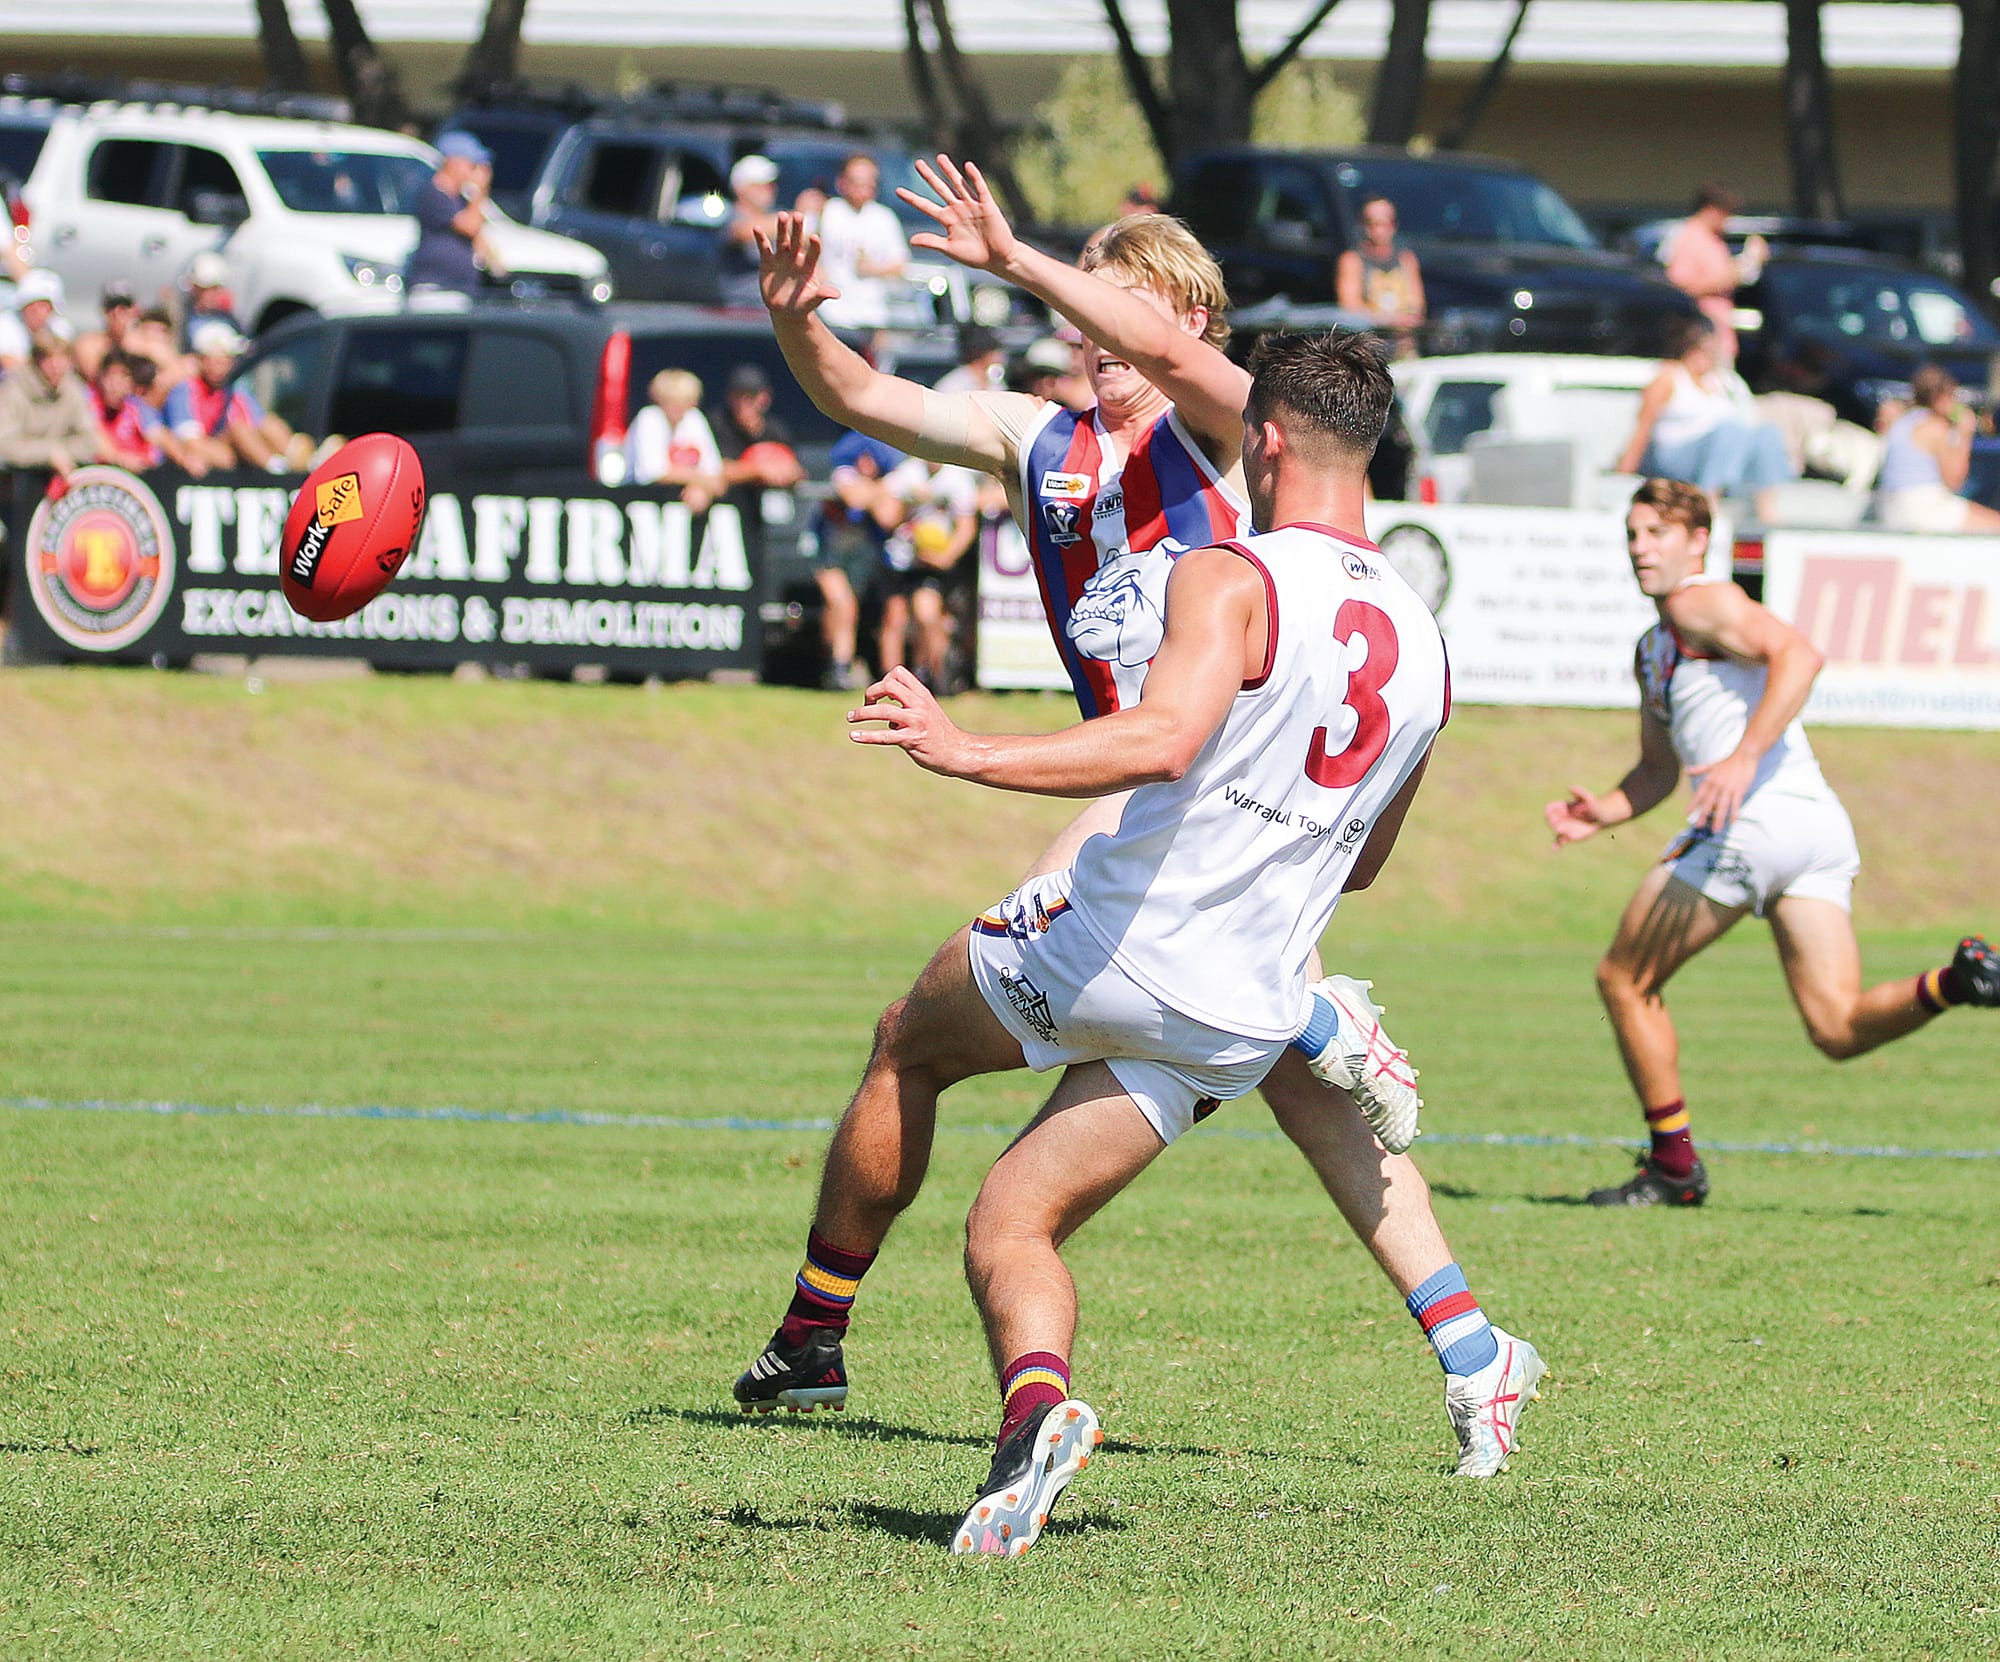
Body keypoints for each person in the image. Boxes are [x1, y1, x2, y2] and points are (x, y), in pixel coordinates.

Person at [733, 162, 1543, 1480]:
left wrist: (1018, 255)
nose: (1101, 333)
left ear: (1186, 321)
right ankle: (1467, 1338)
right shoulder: (1034, 438)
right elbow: (863, 395)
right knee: (1286, 1075)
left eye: (1130, 305)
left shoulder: (1226, 431)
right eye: (1091, 304)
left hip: (1191, 783)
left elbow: (1176, 354)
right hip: (1139, 784)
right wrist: (791, 319)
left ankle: (827, 1319)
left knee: (944, 1028)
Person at [1544, 478, 1997, 1207]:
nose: (1641, 548)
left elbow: (1800, 655)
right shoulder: (1655, 647)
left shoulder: (1701, 598)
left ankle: (1673, 1168)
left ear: (1697, 540)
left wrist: (1745, 756)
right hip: (1813, 826)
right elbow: (1660, 770)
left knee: (1624, 981)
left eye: (1657, 532)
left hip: (1750, 827)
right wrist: (1605, 809)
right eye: (1633, 535)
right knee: (1836, 1026)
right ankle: (1960, 979)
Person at [1617, 315, 1795, 513]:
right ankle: (1709, 501)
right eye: (1701, 351)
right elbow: (1644, 425)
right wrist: (1624, 472)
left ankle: (1766, 509)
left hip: (1727, 454)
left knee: (1767, 433)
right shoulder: (1670, 376)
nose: (1706, 357)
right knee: (1728, 431)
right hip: (1678, 454)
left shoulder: (1727, 383)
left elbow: (1749, 421)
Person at [878, 450, 981, 688]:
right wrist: (907, 503)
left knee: (927, 615)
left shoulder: (958, 479)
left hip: (931, 564)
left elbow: (966, 527)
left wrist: (946, 557)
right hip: (901, 559)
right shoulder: (906, 474)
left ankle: (936, 678)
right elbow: (885, 517)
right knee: (895, 620)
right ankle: (889, 683)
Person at [161, 320, 313, 472]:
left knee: (269, 424)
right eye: (218, 361)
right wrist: (235, 455)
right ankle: (278, 471)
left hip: (236, 451)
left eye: (228, 360)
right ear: (202, 360)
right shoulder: (184, 391)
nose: (224, 366)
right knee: (239, 429)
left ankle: (305, 460)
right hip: (209, 457)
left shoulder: (234, 390)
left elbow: (261, 423)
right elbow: (191, 443)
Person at [1875, 364, 2000, 533]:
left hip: (1890, 507)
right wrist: (1964, 434)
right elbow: (1955, 482)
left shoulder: (1902, 420)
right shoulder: (1935, 428)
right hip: (1921, 508)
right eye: (1952, 396)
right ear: (1939, 397)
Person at [1662, 184, 1767, 368]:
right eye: (1726, 214)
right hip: (1700, 340)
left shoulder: (1714, 240)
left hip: (1719, 337)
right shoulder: (1689, 238)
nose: (1728, 221)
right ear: (1710, 210)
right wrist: (1742, 269)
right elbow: (1681, 288)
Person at [813, 152, 907, 337]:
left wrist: (874, 268)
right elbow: (805, 243)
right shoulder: (828, 211)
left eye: (870, 181)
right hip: (832, 313)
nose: (864, 187)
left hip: (873, 314)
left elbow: (901, 265)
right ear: (842, 182)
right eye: (857, 181)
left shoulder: (884, 218)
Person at [406, 132, 502, 305]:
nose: (474, 172)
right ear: (453, 162)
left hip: (461, 289)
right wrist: (480, 191)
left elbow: (477, 237)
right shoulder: (433, 194)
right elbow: (469, 226)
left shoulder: (461, 200)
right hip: (435, 288)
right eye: (472, 165)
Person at [0, 329, 98, 477]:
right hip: (20, 475)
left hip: (63, 469)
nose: (56, 366)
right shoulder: (15, 390)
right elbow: (6, 445)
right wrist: (48, 454)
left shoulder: (73, 389)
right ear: (36, 361)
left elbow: (89, 441)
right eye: (48, 359)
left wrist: (60, 452)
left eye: (62, 358)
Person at [625, 368, 725, 513]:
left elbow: (717, 478)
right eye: (670, 401)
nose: (677, 408)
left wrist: (699, 488)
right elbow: (653, 473)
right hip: (639, 509)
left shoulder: (694, 418)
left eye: (684, 401)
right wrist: (698, 480)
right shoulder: (649, 418)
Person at [1335, 195, 1425, 355]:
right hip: (1367, 347)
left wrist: (1405, 320)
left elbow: (1416, 304)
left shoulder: (1406, 259)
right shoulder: (1352, 260)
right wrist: (1390, 320)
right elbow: (1350, 306)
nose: (1377, 230)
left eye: (1384, 223)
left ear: (1393, 225)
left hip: (1403, 345)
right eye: (1371, 223)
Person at [709, 363, 805, 492]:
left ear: (765, 398)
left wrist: (788, 473)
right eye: (738, 396)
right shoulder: (717, 423)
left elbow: (797, 469)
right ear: (729, 397)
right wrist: (759, 470)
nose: (744, 403)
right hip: (728, 504)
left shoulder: (776, 429)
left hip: (768, 503)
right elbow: (714, 469)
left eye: (751, 396)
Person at [89, 350, 167, 472]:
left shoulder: (136, 409)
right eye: (110, 376)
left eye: (123, 377)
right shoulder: (88, 406)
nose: (115, 384)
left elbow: (157, 443)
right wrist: (120, 458)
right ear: (100, 378)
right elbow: (98, 442)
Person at [720, 155, 782, 307]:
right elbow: (744, 231)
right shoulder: (728, 215)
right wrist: (798, 218)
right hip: (741, 306)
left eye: (772, 184)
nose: (770, 189)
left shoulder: (775, 214)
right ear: (740, 188)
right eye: (761, 184)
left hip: (774, 306)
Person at [0, 268, 66, 374]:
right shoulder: (5, 325)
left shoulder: (59, 328)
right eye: (34, 307)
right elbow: (8, 363)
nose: (40, 313)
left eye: (45, 307)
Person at [71, 279, 140, 381]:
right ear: (103, 311)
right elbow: (99, 379)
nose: (117, 313)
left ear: (134, 310)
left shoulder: (147, 344)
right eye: (111, 307)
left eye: (123, 307)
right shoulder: (88, 345)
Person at [178, 252, 243, 350]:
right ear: (193, 288)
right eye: (203, 289)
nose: (208, 295)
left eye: (214, 289)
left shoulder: (227, 320)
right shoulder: (181, 317)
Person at [931, 324, 1005, 395]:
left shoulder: (995, 383)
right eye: (993, 350)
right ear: (980, 353)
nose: (1000, 355)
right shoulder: (953, 386)